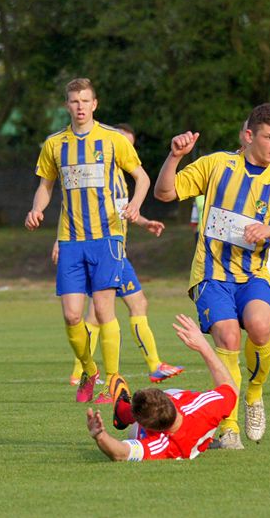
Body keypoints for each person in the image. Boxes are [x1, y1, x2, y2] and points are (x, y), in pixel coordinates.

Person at [154, 103, 270, 449]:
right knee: (227, 337)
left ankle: (254, 393)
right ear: (248, 135)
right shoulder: (216, 165)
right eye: (269, 137)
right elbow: (164, 193)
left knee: (260, 326)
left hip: (253, 275)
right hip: (211, 274)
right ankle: (229, 426)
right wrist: (174, 157)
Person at [25, 78, 150, 403]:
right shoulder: (55, 144)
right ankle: (89, 370)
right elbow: (45, 185)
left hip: (106, 237)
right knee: (71, 315)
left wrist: (136, 204)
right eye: (74, 101)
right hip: (70, 240)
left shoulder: (112, 139)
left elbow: (141, 177)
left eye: (85, 101)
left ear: (94, 104)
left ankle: (113, 381)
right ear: (67, 105)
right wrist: (37, 209)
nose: (80, 106)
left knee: (105, 310)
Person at [57, 123, 183, 393]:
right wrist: (60, 240)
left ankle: (145, 366)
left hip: (115, 253)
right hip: (106, 252)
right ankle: (88, 371)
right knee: (104, 311)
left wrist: (145, 222)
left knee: (123, 307)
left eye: (129, 144)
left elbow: (123, 212)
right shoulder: (104, 178)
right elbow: (73, 211)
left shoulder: (119, 181)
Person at [86, 314, 237, 461]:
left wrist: (100, 436)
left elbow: (121, 453)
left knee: (134, 431)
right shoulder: (202, 407)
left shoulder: (161, 445)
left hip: (173, 438)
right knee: (175, 393)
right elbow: (231, 389)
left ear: (148, 428)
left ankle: (123, 411)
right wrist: (203, 346)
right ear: (170, 401)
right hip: (196, 432)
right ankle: (127, 411)